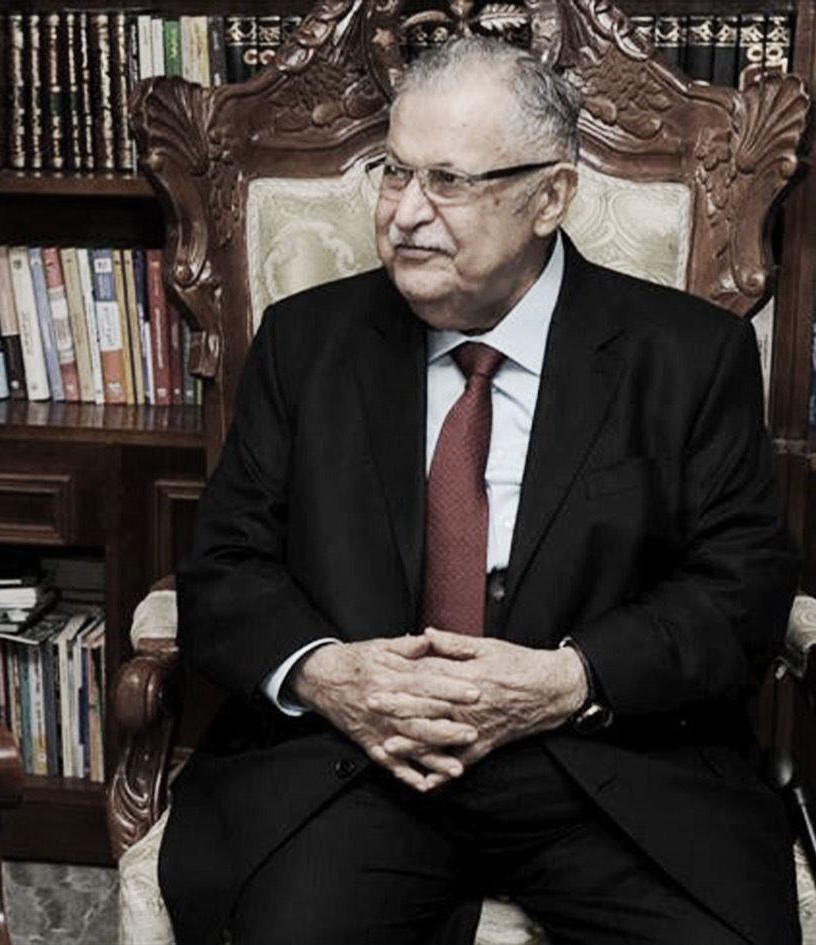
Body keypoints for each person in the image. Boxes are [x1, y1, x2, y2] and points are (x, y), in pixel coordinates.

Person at [160, 38, 799, 945]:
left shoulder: (688, 357)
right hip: (362, 760)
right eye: (394, 172)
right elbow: (225, 566)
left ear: (551, 197)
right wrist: (329, 673)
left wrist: (569, 678)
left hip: (600, 762)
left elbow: (739, 590)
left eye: (449, 182)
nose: (405, 213)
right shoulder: (306, 343)